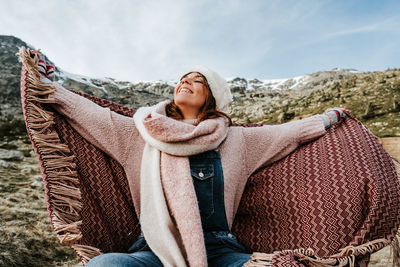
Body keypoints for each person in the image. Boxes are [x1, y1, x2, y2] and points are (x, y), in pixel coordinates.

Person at [36, 53, 346, 267]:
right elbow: (93, 116)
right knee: (106, 264)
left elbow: (287, 134)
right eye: (184, 77)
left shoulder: (238, 139)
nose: (187, 80)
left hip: (221, 252)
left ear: (212, 96)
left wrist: (330, 119)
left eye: (198, 80)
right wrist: (48, 85)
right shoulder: (139, 132)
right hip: (155, 249)